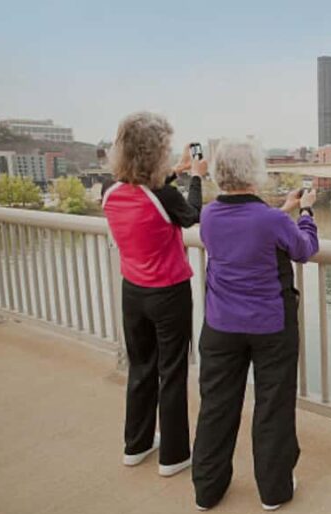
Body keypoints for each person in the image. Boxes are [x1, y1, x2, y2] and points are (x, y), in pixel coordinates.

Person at [192, 139, 318, 511]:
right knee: (272, 406)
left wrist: (285, 209)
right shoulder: (273, 221)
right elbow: (303, 250)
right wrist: (305, 214)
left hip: (220, 326)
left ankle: (207, 491)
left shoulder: (209, 215)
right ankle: (274, 491)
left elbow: (247, 231)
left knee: (216, 406)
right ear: (255, 173)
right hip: (270, 327)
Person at [102, 111, 206, 477]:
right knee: (172, 372)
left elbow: (147, 190)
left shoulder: (110, 191)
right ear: (154, 153)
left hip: (133, 293)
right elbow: (191, 214)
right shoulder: (163, 195)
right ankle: (175, 455)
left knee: (141, 368)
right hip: (169, 294)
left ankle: (136, 444)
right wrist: (195, 177)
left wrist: (176, 172)